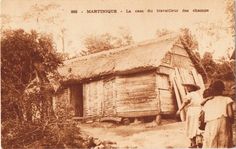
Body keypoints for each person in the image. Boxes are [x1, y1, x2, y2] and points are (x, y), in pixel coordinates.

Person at [202, 80, 234, 148]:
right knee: (223, 141)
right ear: (222, 90)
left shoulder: (208, 101)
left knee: (211, 141)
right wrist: (231, 121)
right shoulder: (227, 99)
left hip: (210, 123)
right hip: (223, 121)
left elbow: (203, 116)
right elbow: (230, 114)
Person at [176, 84, 203, 148]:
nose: (186, 88)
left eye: (188, 87)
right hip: (199, 110)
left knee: (191, 126)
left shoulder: (190, 95)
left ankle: (193, 143)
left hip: (192, 111)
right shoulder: (198, 95)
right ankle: (199, 141)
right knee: (197, 126)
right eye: (186, 87)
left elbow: (185, 102)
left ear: (192, 88)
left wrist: (179, 110)